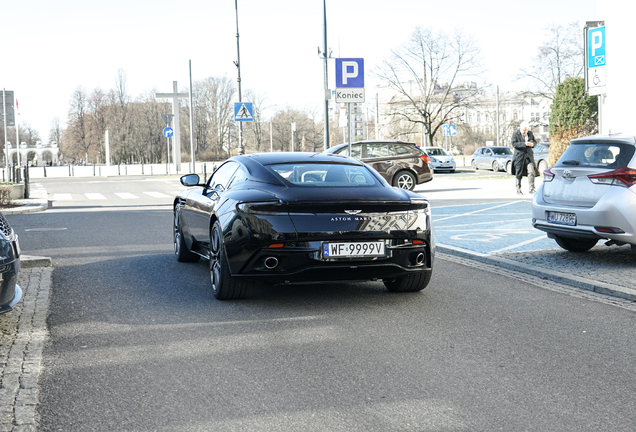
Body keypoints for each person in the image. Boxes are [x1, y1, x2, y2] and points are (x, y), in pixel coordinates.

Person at [510, 121, 539, 194]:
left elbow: (535, 142)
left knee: (531, 171)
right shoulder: (515, 134)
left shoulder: (530, 133)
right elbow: (514, 144)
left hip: (528, 156)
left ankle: (531, 188)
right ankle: (518, 189)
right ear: (520, 128)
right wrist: (524, 144)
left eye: (526, 130)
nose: (524, 132)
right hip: (519, 156)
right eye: (523, 130)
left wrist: (532, 144)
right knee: (518, 173)